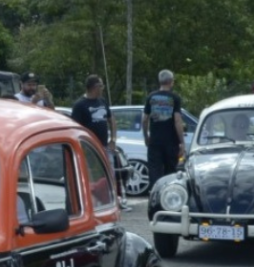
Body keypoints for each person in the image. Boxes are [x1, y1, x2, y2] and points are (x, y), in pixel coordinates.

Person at [70, 75, 128, 209]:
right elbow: (75, 127)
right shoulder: (80, 105)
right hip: (88, 147)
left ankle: (111, 200)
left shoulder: (102, 101)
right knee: (90, 174)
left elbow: (111, 119)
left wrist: (113, 139)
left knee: (109, 172)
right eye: (101, 86)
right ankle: (90, 201)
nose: (103, 88)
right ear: (94, 87)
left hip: (104, 144)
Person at [142, 69, 185, 190]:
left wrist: (146, 136)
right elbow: (177, 120)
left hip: (155, 140)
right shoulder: (175, 98)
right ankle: (169, 193)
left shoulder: (151, 97)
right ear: (171, 81)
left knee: (154, 170)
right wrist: (181, 141)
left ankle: (155, 193)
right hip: (171, 141)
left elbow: (145, 119)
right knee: (170, 170)